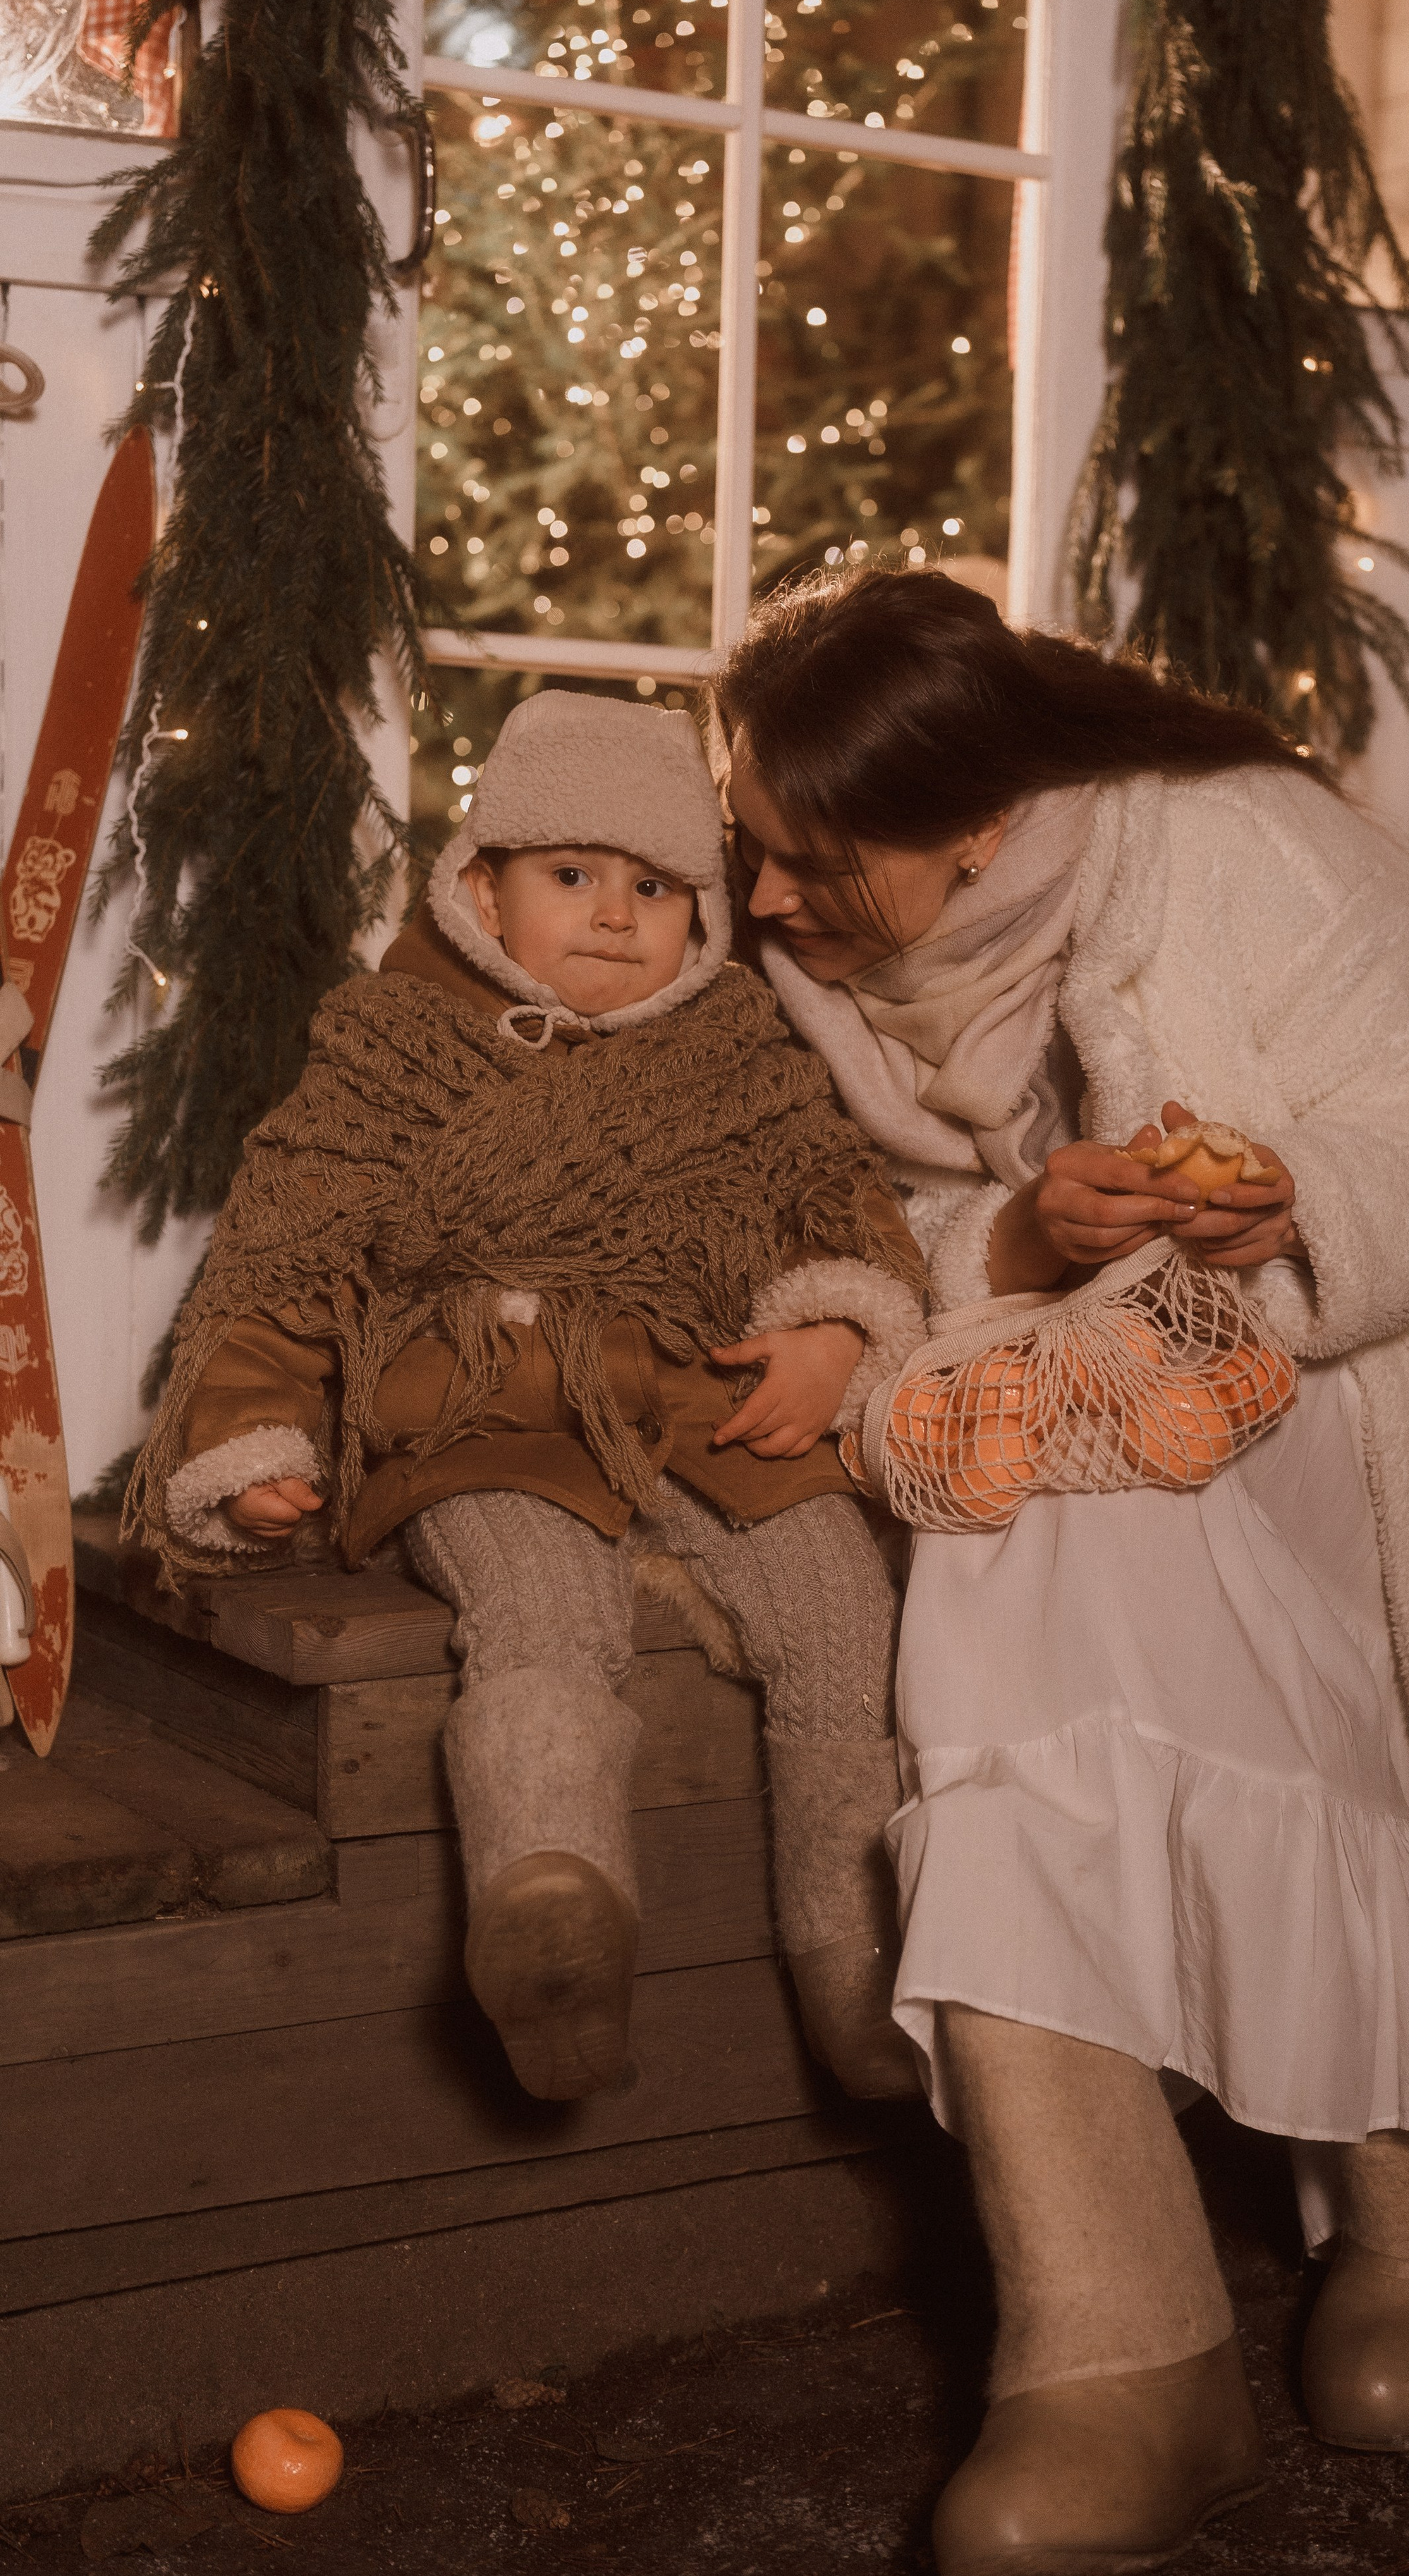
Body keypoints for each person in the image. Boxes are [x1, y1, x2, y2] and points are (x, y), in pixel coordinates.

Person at [713, 569, 1409, 2576]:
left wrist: (1276, 1208)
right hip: (1117, 1397)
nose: (762, 907)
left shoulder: (1243, 844)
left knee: (1074, 1498)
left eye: (812, 862)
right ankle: (1148, 2313)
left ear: (976, 820)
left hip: (1408, 1373)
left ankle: (1330, 2236)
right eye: (749, 850)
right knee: (1061, 1495)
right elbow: (888, 1215)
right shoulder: (825, 970)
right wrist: (1020, 1239)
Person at [128, 692, 928, 2107]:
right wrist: (252, 1440)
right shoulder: (385, 1045)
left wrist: (831, 1333)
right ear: (481, 882)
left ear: (705, 913)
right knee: (543, 1618)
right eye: (572, 876)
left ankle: (852, 1955)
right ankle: (550, 1902)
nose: (616, 917)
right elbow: (287, 1260)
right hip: (478, 1413)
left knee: (839, 1605)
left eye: (657, 889)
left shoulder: (743, 1055)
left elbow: (842, 1205)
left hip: (704, 1397)